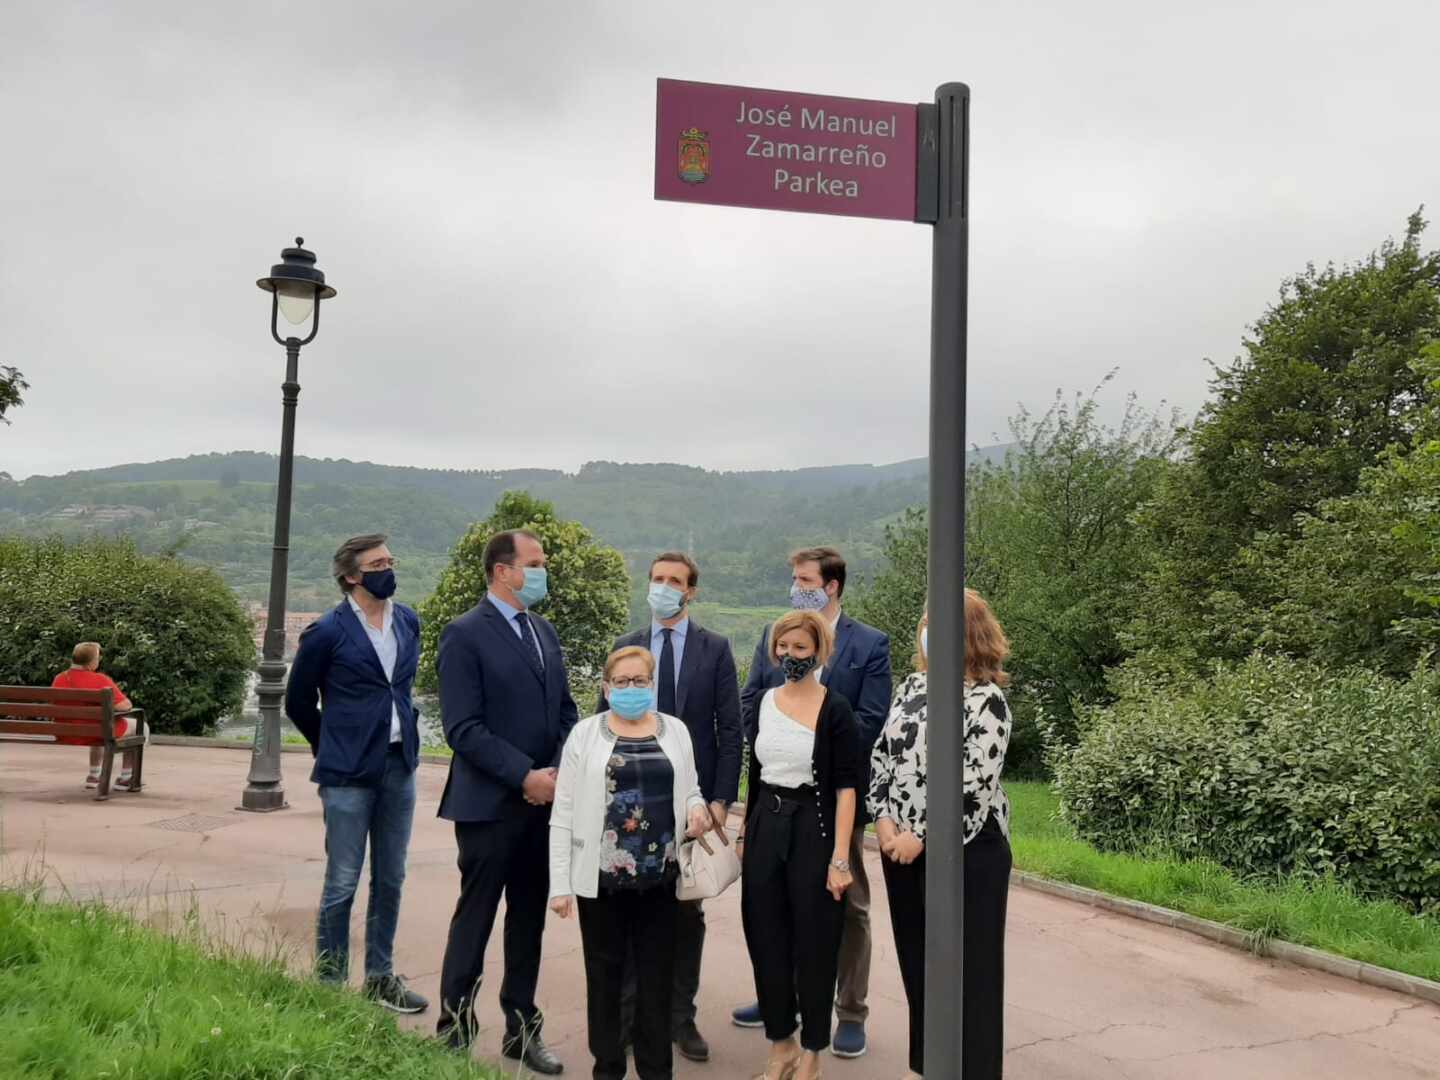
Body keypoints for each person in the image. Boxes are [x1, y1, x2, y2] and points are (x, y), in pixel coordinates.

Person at [733, 547, 891, 1060]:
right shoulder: (773, 636)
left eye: (805, 579)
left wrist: (823, 735)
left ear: (832, 586)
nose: (797, 585)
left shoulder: (867, 643)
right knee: (773, 912)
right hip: (773, 798)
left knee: (844, 909)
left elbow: (870, 717)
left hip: (832, 799)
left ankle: (849, 1012)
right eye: (795, 578)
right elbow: (754, 695)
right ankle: (781, 1003)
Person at [434, 528, 577, 1075]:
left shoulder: (544, 630)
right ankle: (455, 1026)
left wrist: (559, 770)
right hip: (489, 804)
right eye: (536, 563)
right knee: (476, 915)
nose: (543, 572)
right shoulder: (464, 633)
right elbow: (462, 727)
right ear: (503, 571)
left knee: (527, 922)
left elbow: (566, 710)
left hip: (544, 806)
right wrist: (523, 775)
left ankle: (522, 1029)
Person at [598, 551, 743, 1063]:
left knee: (686, 915)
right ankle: (631, 1019)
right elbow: (601, 729)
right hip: (634, 807)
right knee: (633, 912)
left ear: (690, 591)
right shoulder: (627, 646)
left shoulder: (716, 650)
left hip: (692, 807)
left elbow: (731, 731)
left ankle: (680, 1018)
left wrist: (722, 799)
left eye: (674, 581)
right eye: (657, 578)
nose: (663, 587)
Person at [869, 595, 1013, 1080]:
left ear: (969, 632)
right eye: (925, 620)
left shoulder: (987, 698)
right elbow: (884, 756)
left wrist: (924, 835)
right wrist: (884, 820)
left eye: (941, 622)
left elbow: (976, 781)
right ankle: (930, 1067)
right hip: (900, 848)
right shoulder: (911, 685)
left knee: (971, 972)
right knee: (919, 964)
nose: (928, 629)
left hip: (969, 852)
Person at [552, 646, 713, 1080]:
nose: (630, 689)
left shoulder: (675, 731)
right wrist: (559, 885)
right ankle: (607, 1068)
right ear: (606, 688)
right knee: (604, 981)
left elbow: (692, 787)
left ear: (652, 685)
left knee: (656, 982)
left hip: (660, 881)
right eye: (621, 682)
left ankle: (656, 1070)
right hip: (601, 882)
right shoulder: (585, 735)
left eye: (639, 681)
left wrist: (696, 809)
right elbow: (563, 812)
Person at [284, 534, 429, 1014]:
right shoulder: (325, 631)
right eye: (377, 563)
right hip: (347, 772)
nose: (388, 568)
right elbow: (298, 701)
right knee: (343, 879)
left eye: (390, 560)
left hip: (398, 764)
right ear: (351, 575)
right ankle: (329, 984)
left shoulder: (407, 620)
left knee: (391, 877)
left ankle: (380, 977)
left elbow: (400, 687)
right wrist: (330, 745)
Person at [739, 610, 862, 1080]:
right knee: (765, 936)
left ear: (818, 652)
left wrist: (840, 859)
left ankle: (812, 1051)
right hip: (767, 824)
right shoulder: (765, 701)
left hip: (815, 828)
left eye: (800, 649)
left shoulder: (836, 709)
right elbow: (757, 772)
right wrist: (746, 831)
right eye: (783, 648)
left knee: (815, 942)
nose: (789, 656)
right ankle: (780, 1045)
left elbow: (847, 788)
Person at [52, 641, 146, 790]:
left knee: (96, 725)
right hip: (96, 732)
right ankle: (126, 778)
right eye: (98, 658)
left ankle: (94, 776)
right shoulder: (100, 680)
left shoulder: (59, 678)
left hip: (66, 733)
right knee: (140, 727)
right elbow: (125, 705)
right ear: (91, 662)